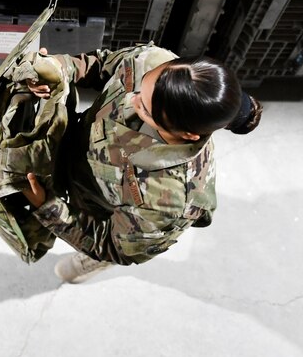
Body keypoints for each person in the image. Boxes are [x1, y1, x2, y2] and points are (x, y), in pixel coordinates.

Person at [16, 44, 262, 283]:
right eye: (141, 89)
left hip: (102, 209)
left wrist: (48, 208)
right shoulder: (152, 61)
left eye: (145, 109)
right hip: (79, 155)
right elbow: (103, 64)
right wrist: (59, 68)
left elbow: (114, 245)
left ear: (188, 135)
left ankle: (93, 261)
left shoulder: (167, 202)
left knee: (118, 242)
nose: (131, 101)